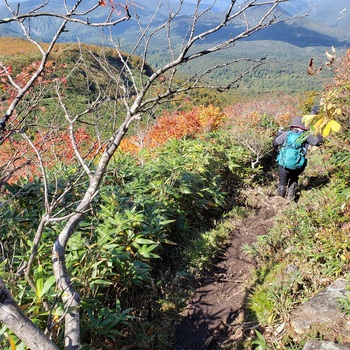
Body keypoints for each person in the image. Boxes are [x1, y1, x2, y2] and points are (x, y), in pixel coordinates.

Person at [273, 116, 324, 200]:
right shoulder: (306, 136)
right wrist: (318, 131)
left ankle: (280, 201)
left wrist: (277, 148)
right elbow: (319, 142)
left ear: (293, 126)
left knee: (282, 183)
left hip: (283, 164)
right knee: (294, 179)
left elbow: (275, 143)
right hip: (297, 166)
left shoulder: (286, 134)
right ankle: (290, 200)